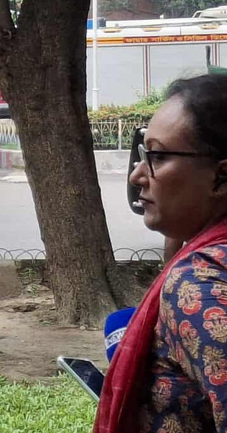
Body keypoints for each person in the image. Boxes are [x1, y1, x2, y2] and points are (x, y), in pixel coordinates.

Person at [94, 75, 227, 433]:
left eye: (159, 156)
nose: (138, 174)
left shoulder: (201, 282)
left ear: (221, 177)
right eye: (142, 155)